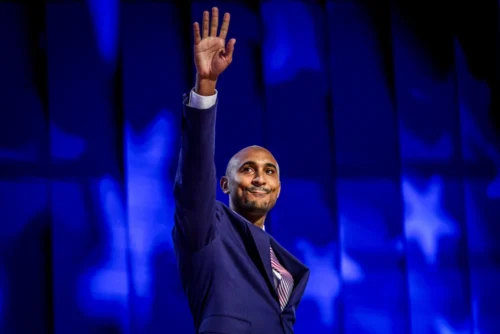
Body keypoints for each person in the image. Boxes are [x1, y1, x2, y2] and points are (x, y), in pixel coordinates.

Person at [172, 7, 310, 334]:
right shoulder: (207, 230)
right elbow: (195, 176)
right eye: (248, 169)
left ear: (279, 186)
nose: (260, 178)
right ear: (224, 184)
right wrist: (205, 85)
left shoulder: (284, 266)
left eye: (270, 171)